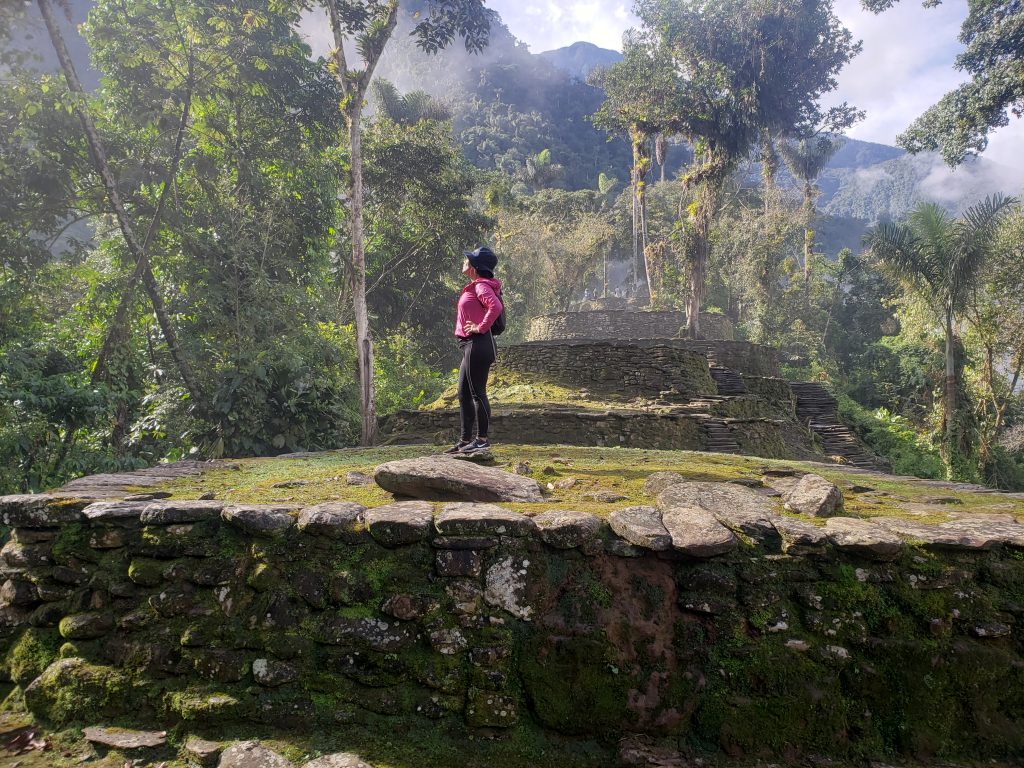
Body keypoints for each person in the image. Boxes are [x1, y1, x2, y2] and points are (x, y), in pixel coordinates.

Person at [445, 246, 503, 455]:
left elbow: (495, 307)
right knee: (463, 394)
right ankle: (465, 440)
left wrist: (480, 327)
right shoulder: (476, 286)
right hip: (470, 345)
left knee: (478, 394)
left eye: (467, 260)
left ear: (474, 267)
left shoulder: (481, 287)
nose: (463, 262)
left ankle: (482, 440)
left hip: (478, 343)